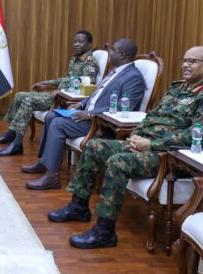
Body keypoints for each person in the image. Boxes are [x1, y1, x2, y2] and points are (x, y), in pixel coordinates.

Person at [48, 46, 203, 249]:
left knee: (118, 162)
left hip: (171, 156)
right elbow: (152, 116)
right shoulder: (177, 88)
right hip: (145, 145)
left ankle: (105, 231)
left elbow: (196, 136)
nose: (185, 65)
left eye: (192, 61)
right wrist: (136, 135)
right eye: (184, 60)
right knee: (94, 146)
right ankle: (78, 207)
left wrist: (151, 144)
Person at [22, 39, 146, 190]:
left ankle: (51, 177)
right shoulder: (115, 71)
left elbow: (123, 107)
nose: (110, 53)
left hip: (99, 123)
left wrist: (90, 113)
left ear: (122, 54)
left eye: (113, 50)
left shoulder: (133, 77)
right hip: (86, 114)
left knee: (58, 124)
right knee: (51, 116)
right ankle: (44, 163)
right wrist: (81, 104)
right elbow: (97, 94)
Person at [0, 31, 99, 156]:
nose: (76, 44)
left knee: (28, 101)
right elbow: (65, 79)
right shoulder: (75, 59)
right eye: (75, 41)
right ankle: (11, 133)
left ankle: (17, 144)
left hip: (64, 99)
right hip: (57, 94)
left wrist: (61, 91)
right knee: (19, 95)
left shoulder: (90, 63)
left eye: (80, 42)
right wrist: (47, 82)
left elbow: (88, 83)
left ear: (89, 44)